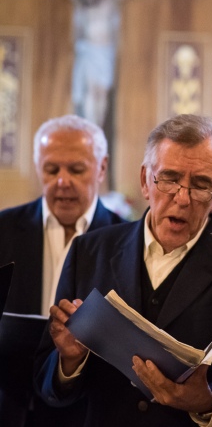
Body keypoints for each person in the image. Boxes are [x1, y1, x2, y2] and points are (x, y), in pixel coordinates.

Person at [33, 114, 212, 426]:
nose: (182, 199)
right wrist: (69, 360)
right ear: (145, 181)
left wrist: (209, 398)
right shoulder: (88, 251)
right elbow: (47, 384)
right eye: (169, 179)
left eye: (200, 185)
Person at [0, 114, 124, 427]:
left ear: (102, 167)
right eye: (51, 169)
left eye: (77, 169)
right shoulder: (3, 229)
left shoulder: (126, 240)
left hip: (90, 412)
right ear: (36, 166)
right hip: (10, 406)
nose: (62, 181)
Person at [24, 0, 175, 128]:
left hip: (105, 51)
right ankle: (90, 126)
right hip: (88, 49)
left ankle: (98, 126)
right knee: (90, 90)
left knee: (101, 92)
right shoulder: (80, 0)